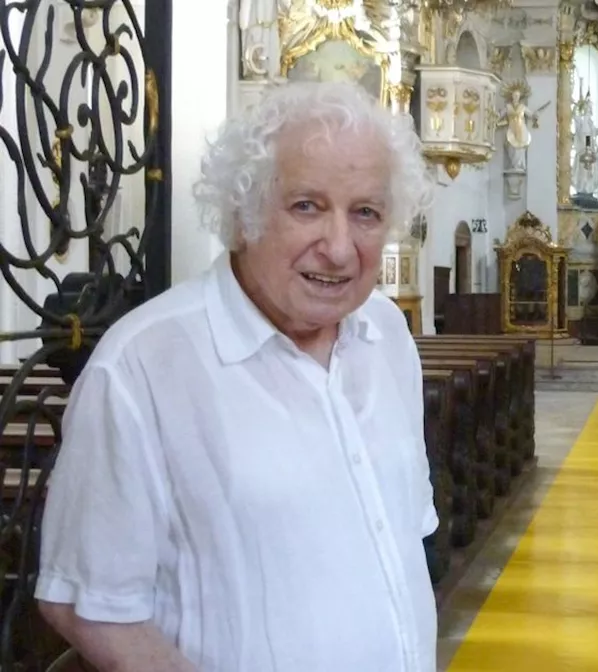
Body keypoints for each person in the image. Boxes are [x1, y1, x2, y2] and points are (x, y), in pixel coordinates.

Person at [34, 81, 437, 671]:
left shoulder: (386, 335)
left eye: (366, 214)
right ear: (244, 215)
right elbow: (88, 605)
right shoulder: (142, 368)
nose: (340, 248)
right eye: (307, 206)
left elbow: (399, 543)